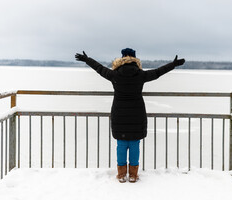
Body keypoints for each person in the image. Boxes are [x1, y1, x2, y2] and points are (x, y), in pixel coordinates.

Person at [75, 48, 185, 183]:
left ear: (121, 59)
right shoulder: (140, 75)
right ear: (135, 59)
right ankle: (133, 175)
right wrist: (173, 65)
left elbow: (99, 68)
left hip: (119, 114)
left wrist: (87, 59)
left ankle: (121, 175)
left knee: (121, 144)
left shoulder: (114, 75)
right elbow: (158, 72)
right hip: (137, 114)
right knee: (134, 144)